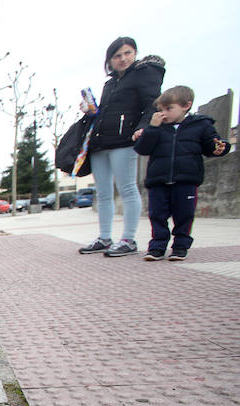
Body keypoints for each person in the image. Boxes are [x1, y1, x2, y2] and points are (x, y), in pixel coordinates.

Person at [78, 37, 165, 257]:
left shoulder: (144, 74)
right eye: (117, 56)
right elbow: (106, 112)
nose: (123, 59)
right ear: (110, 60)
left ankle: (128, 238)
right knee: (103, 193)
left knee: (127, 188)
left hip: (124, 140)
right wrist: (91, 111)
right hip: (100, 142)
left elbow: (151, 104)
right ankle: (105, 237)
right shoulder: (110, 84)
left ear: (134, 53)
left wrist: (144, 126)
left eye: (127, 53)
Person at [133, 86, 230, 261]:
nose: (164, 113)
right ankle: (157, 246)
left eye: (169, 108)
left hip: (186, 179)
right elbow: (142, 149)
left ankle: (180, 246)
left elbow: (211, 145)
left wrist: (221, 147)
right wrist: (152, 128)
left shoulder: (201, 125)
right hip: (158, 180)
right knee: (157, 215)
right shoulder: (157, 128)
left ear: (186, 105)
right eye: (161, 109)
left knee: (184, 215)